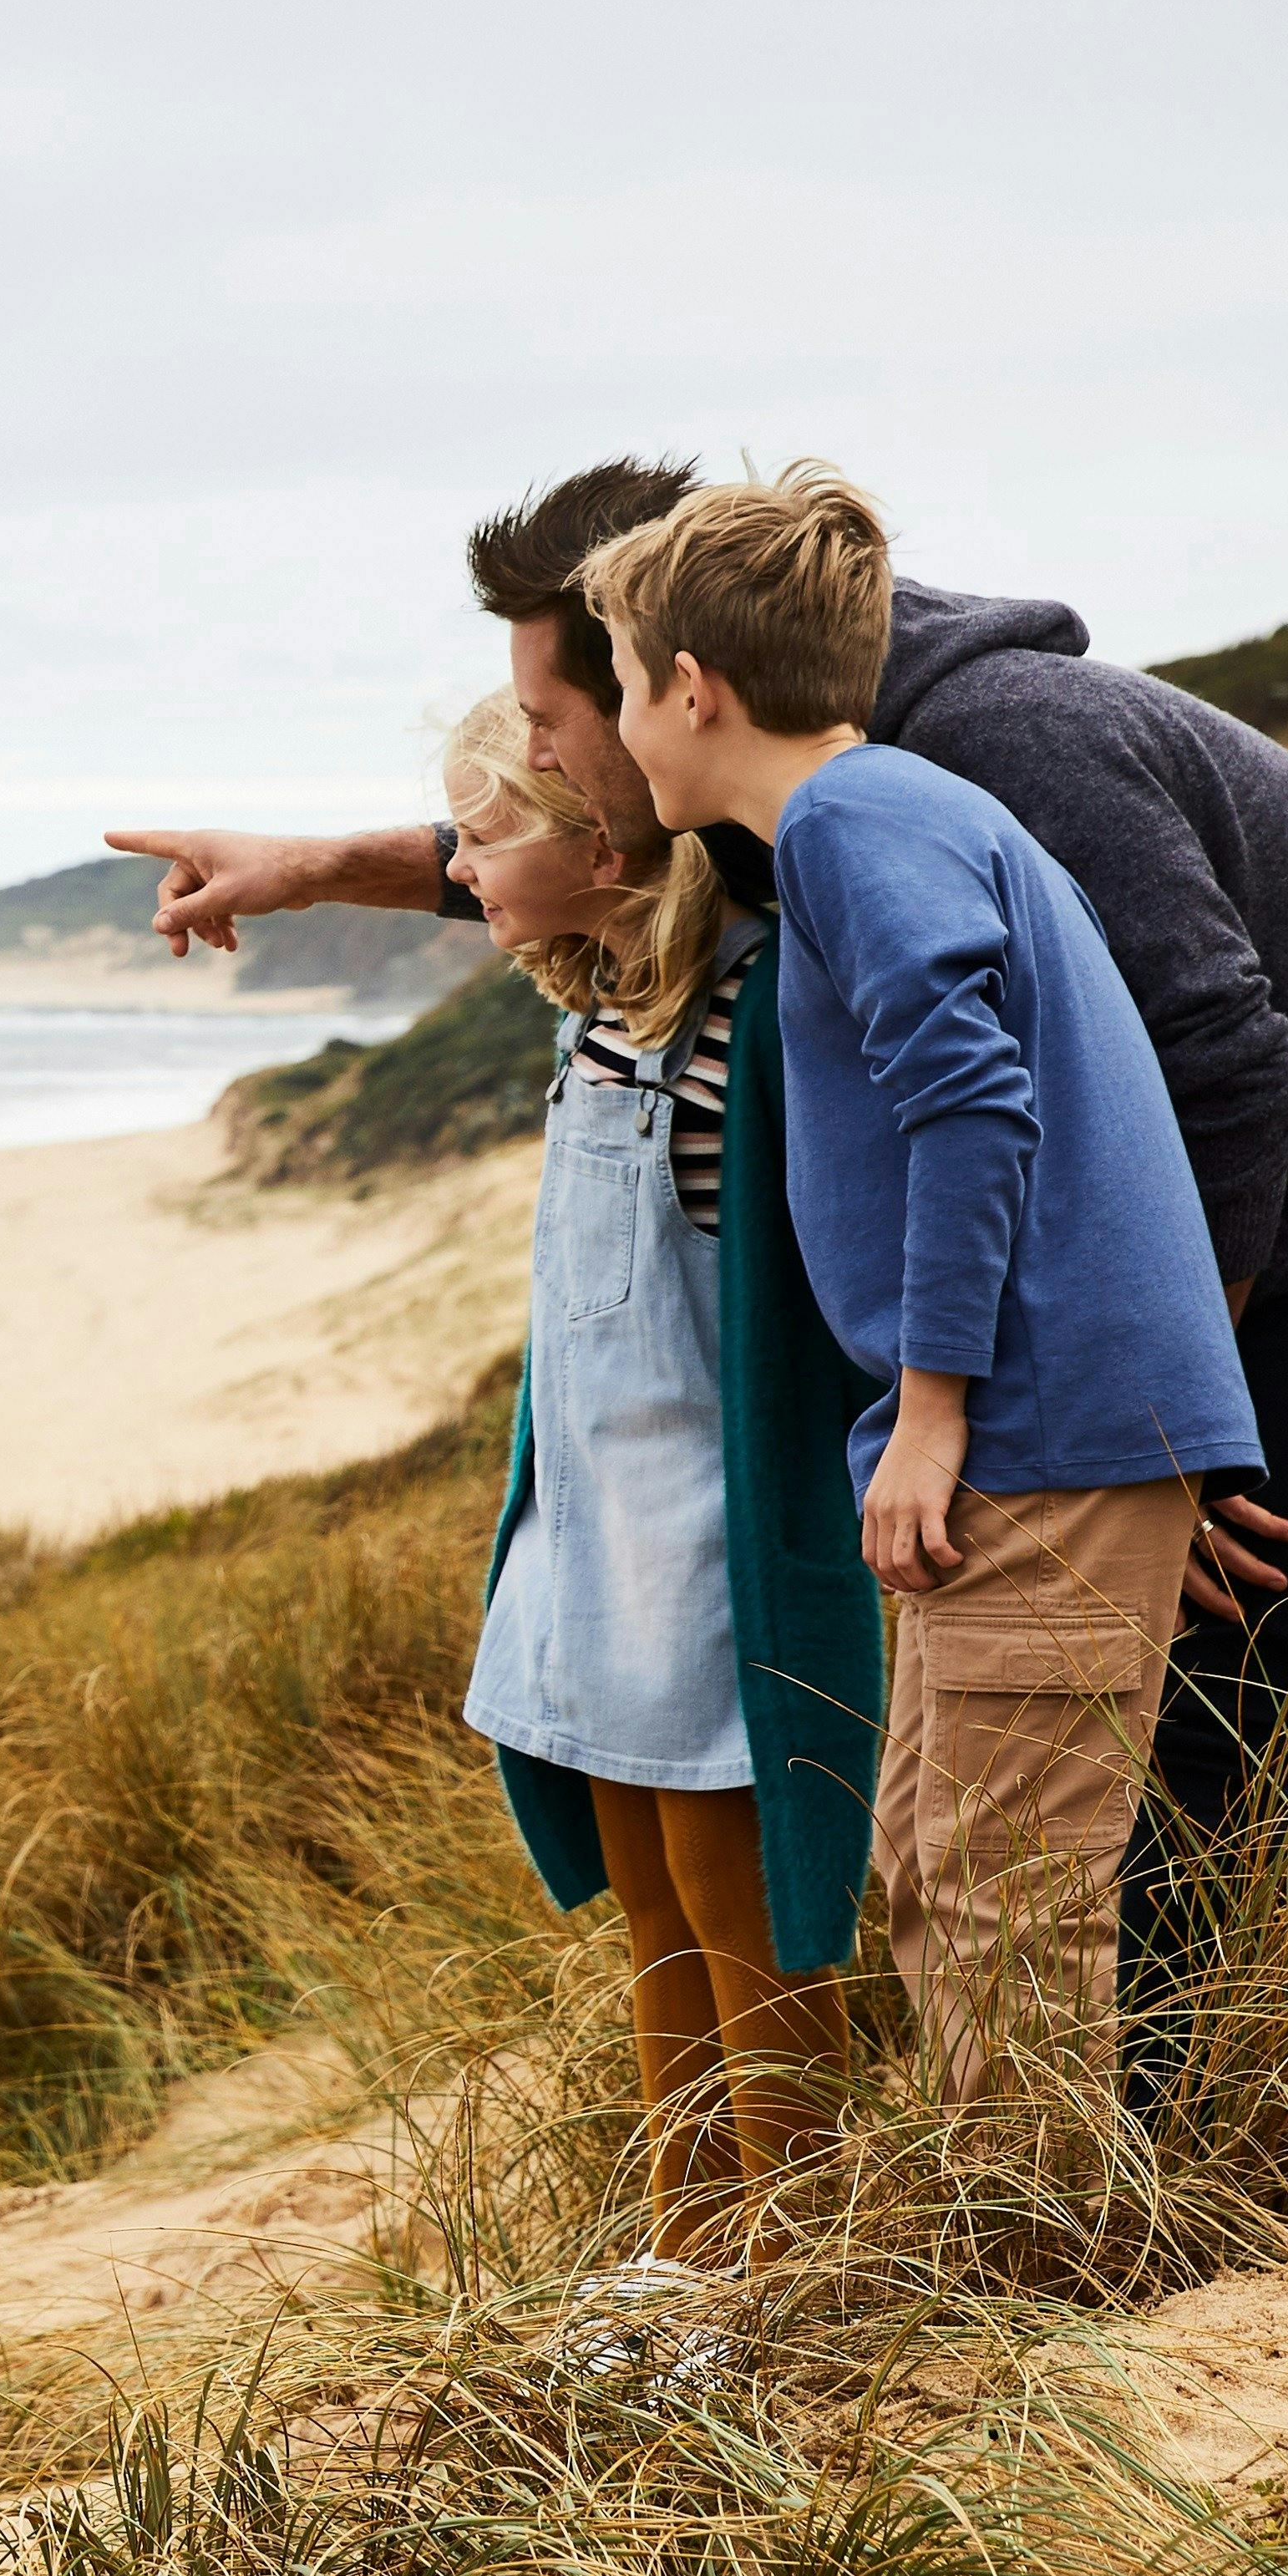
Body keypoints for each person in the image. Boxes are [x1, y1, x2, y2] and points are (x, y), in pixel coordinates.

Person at [114, 460, 1288, 2095]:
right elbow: (586, 850)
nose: (532, 750)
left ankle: (1154, 2171)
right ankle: (1113, 2114)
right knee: (1075, 1740)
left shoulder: (987, 751)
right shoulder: (800, 780)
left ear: (670, 673)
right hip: (1164, 1247)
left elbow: (1234, 1067)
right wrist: (318, 864)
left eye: (552, 708)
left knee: (1166, 1693)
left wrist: (1184, 1426)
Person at [580, 472, 1258, 2177]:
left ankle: (1041, 2300)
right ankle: (1022, 2254)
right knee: (941, 1873)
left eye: (615, 676)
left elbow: (972, 1108)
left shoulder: (855, 827)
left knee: (1001, 1903)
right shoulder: (892, 814)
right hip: (1031, 1425)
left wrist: (936, 1412)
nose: (612, 724)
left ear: (691, 687)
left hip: (1035, 1431)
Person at [439, 700, 882, 2270]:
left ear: (595, 834)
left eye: (482, 831)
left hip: (708, 1545)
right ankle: (683, 2253)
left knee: (741, 1915)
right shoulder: (595, 1009)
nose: (456, 860)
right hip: (592, 1537)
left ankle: (795, 2261)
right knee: (647, 1911)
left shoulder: (750, 1008)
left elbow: (812, 1305)